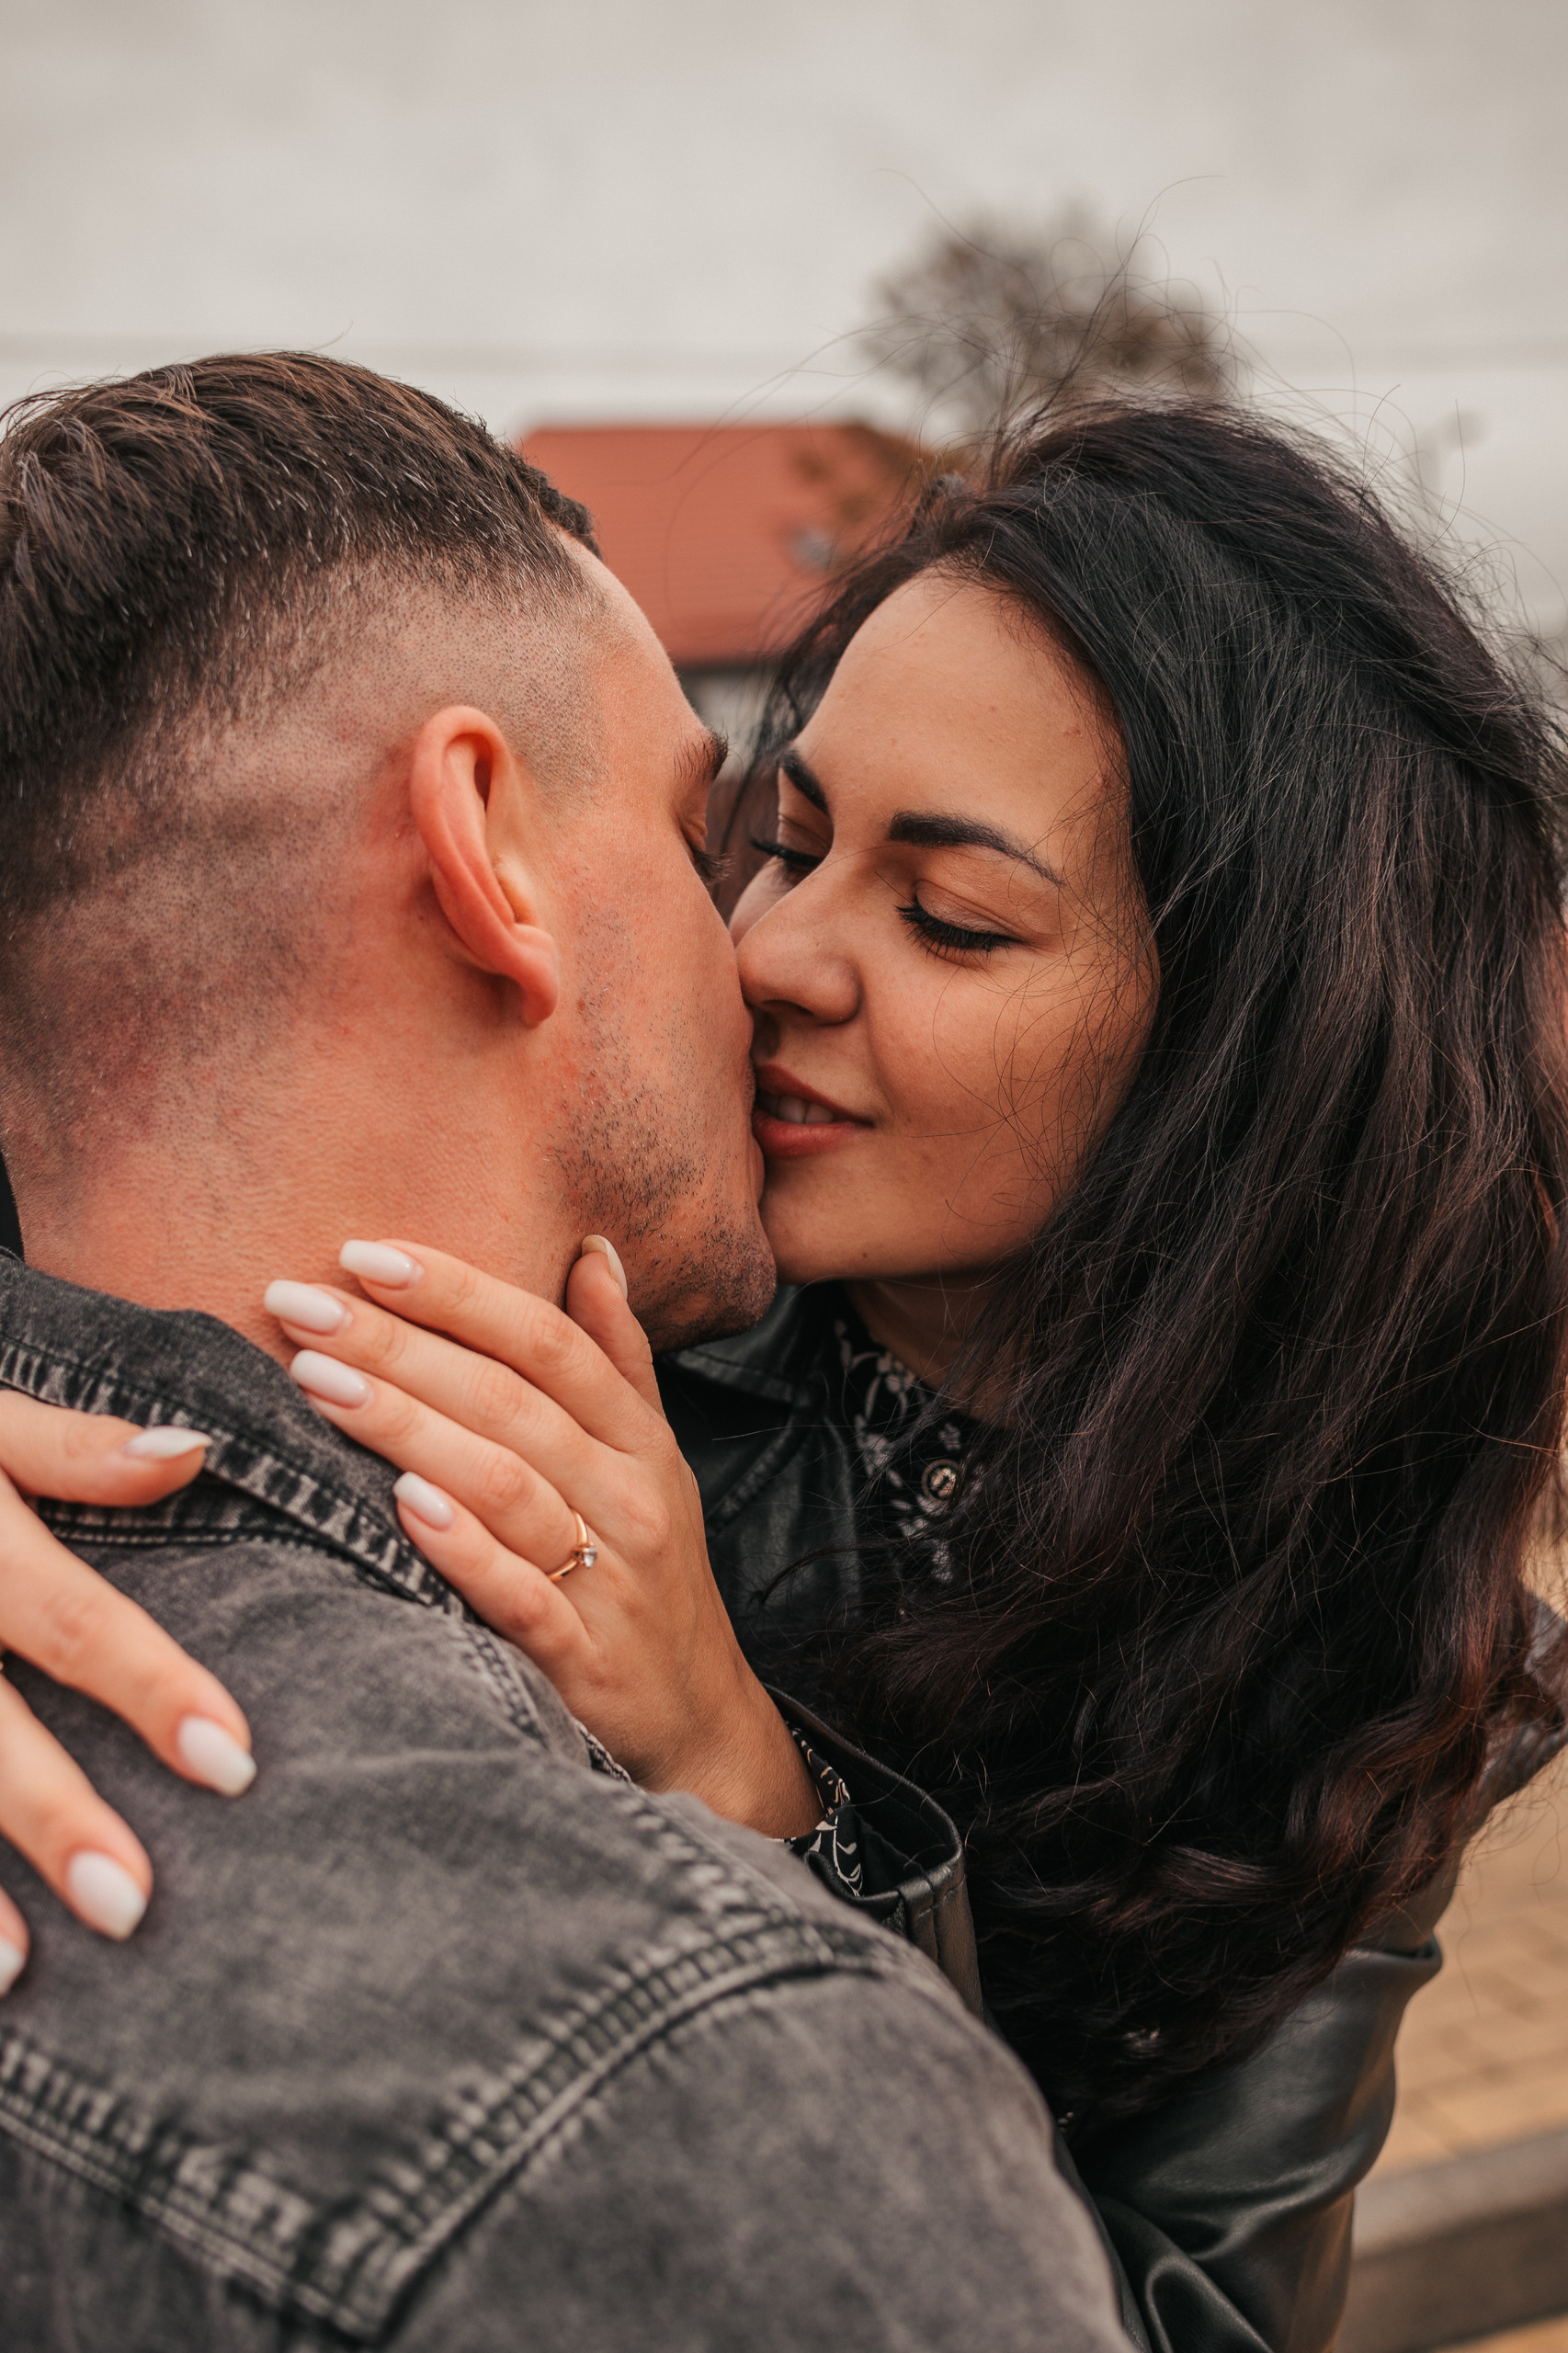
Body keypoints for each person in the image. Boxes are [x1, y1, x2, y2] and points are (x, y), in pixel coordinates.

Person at [3, 396, 1566, 2353]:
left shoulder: (1353, 1644)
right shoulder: (625, 1257)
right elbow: (134, 1003)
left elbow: (1180, 2309)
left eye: (949, 916)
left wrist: (762, 1795)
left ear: (1237, 1068)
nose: (766, 952)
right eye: (777, 837)